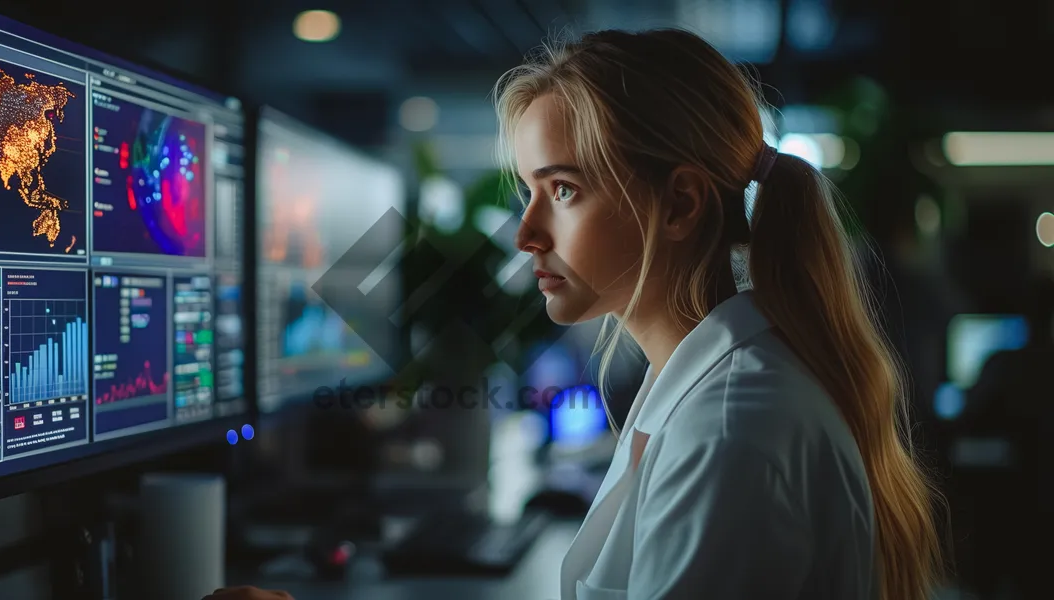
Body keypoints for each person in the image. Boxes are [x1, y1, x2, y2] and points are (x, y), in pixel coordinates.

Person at [205, 27, 945, 600]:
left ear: (680, 204)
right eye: (528, 190)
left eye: (561, 190)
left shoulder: (733, 430)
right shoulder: (711, 387)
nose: (526, 233)